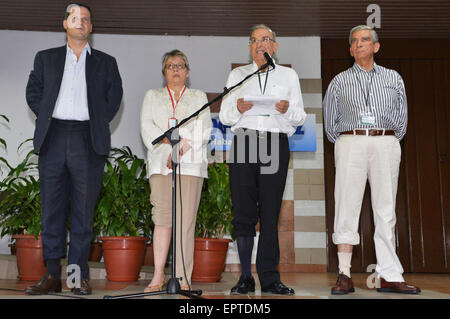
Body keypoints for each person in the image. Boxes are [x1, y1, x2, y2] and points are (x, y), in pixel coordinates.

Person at [24, 4, 123, 295]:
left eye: (86, 20)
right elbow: (33, 93)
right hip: (53, 137)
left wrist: (95, 121)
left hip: (87, 139)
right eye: (75, 18)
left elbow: (114, 97)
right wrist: (47, 118)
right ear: (65, 24)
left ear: (91, 28)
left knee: (82, 213)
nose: (80, 23)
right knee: (51, 211)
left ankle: (77, 277)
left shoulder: (106, 62)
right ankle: (52, 275)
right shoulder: (46, 59)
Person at [323, 25, 420, 295]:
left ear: (376, 47)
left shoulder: (394, 78)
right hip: (350, 141)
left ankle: (389, 275)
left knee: (386, 210)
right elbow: (330, 124)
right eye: (353, 42)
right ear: (350, 49)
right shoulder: (339, 81)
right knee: (346, 206)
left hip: (386, 142)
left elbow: (402, 120)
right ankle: (344, 274)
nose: (358, 45)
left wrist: (385, 138)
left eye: (365, 40)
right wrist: (350, 139)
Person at [219, 24, 306, 295]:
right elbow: (224, 117)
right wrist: (237, 107)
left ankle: (270, 278)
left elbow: (299, 117)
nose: (260, 44)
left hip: (275, 141)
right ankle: (245, 276)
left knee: (270, 214)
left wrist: (287, 109)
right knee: (244, 213)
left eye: (265, 39)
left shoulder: (289, 75)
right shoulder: (237, 74)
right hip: (244, 141)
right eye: (254, 40)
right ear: (249, 47)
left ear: (275, 46)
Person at [140, 49, 211, 292]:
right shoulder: (153, 95)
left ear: (188, 72)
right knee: (161, 219)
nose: (176, 69)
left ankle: (182, 278)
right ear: (164, 72)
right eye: (171, 66)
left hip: (190, 163)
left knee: (185, 222)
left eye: (180, 65)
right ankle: (158, 274)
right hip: (161, 163)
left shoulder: (199, 96)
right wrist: (169, 141)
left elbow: (205, 128)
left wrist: (182, 143)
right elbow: (147, 126)